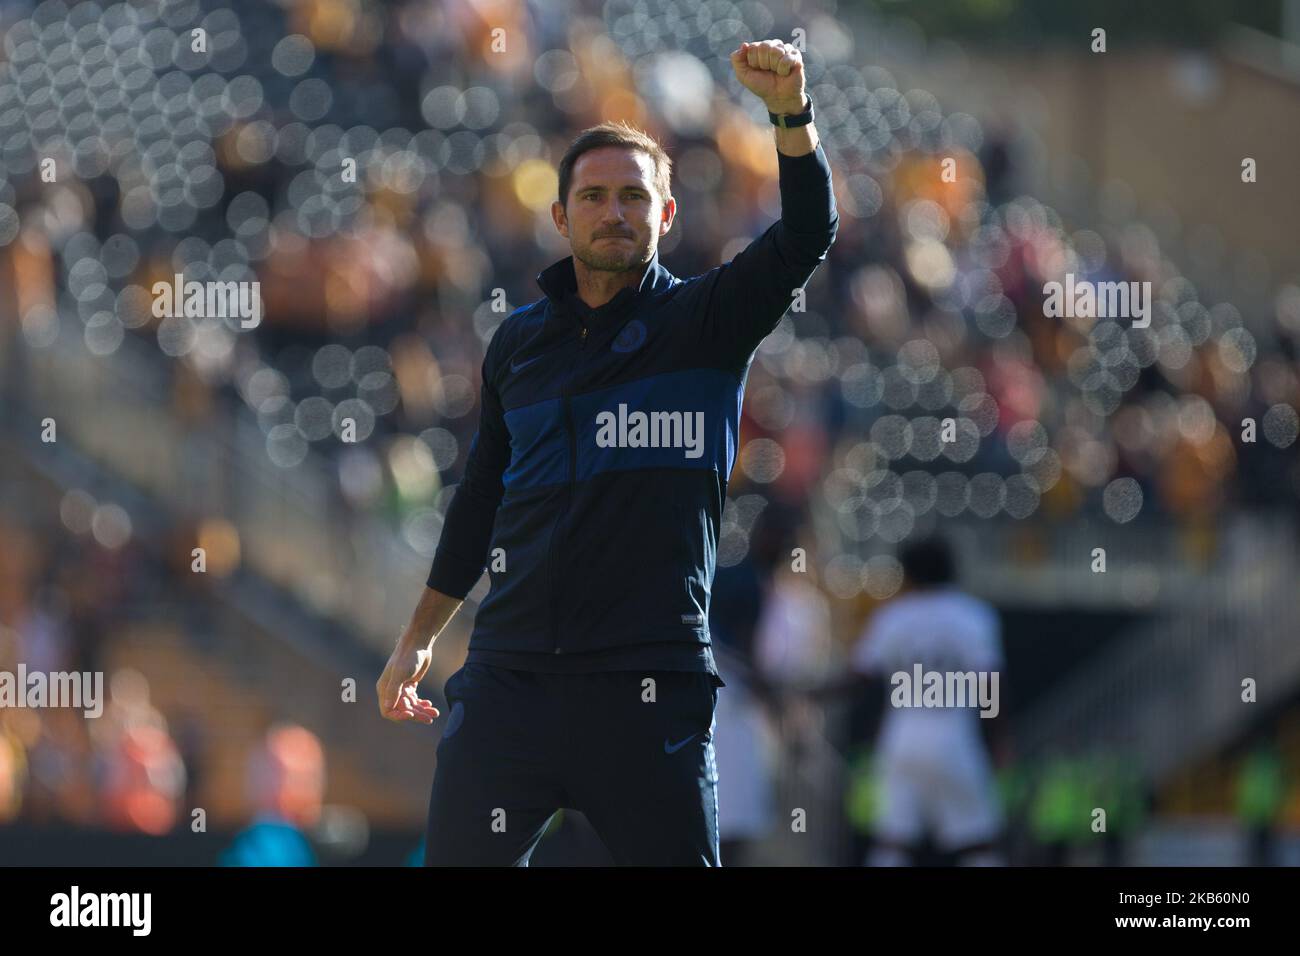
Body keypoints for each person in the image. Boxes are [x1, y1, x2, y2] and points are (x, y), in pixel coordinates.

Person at [376, 38, 838, 866]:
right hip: (509, 685)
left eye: (633, 196)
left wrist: (790, 114)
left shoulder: (709, 322)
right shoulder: (518, 345)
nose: (613, 212)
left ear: (665, 214)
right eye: (593, 197)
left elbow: (808, 230)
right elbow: (481, 496)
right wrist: (419, 637)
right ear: (561, 218)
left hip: (647, 689)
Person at [815, 534, 1007, 865]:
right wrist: (998, 737)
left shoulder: (894, 616)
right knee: (977, 843)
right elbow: (989, 683)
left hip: (902, 735)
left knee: (894, 842)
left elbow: (858, 677)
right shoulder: (973, 615)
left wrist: (809, 692)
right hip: (953, 734)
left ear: (908, 573)